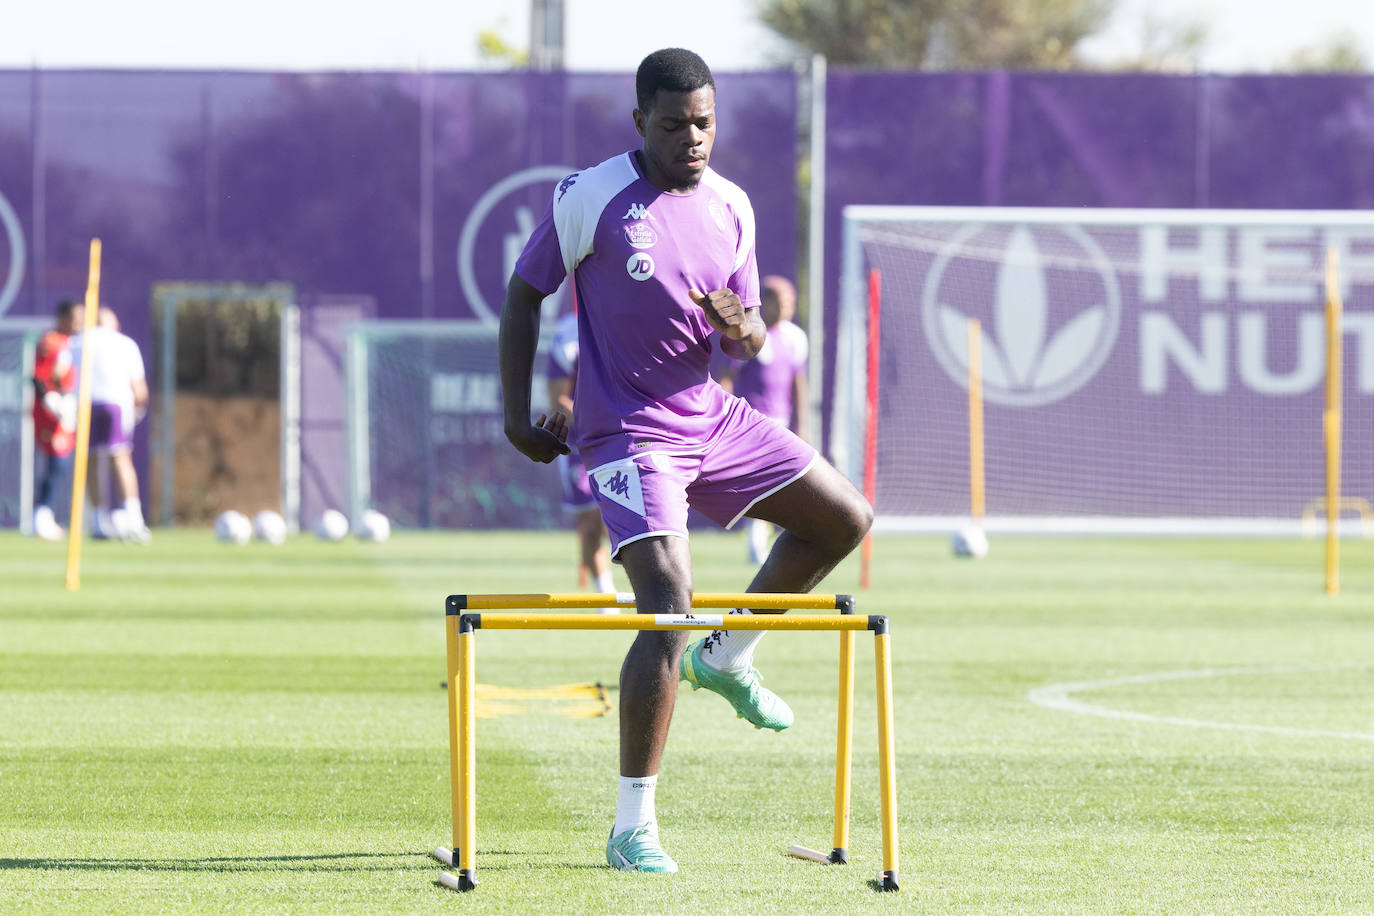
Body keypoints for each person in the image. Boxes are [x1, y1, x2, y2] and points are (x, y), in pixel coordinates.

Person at [499, 48, 871, 875]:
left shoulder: (732, 205)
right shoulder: (589, 194)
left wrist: (746, 332)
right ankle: (633, 827)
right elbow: (525, 294)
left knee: (845, 518)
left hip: (711, 416)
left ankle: (729, 653)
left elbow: (741, 339)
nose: (692, 138)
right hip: (628, 432)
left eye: (704, 122)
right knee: (668, 600)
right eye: (674, 125)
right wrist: (512, 417)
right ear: (641, 123)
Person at [717, 275, 809, 564]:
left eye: (791, 302)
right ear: (765, 303)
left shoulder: (796, 337)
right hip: (751, 425)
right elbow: (727, 379)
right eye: (781, 302)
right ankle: (757, 542)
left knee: (783, 486)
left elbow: (798, 384)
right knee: (760, 485)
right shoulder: (751, 336)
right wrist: (725, 418)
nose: (787, 308)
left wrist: (802, 426)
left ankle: (771, 541)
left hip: (781, 425)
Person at [546, 307, 619, 611]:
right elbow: (557, 400)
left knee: (616, 521)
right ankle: (606, 595)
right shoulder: (567, 338)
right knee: (590, 523)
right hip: (580, 445)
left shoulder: (626, 324)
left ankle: (650, 588)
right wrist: (598, 421)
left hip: (622, 443)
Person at [68, 306, 150, 542]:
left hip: (86, 406)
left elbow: (59, 372)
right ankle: (133, 519)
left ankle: (98, 522)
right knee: (121, 459)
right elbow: (139, 390)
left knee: (91, 462)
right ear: (115, 325)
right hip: (115, 404)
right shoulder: (125, 344)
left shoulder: (78, 342)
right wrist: (137, 409)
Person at [30, 299, 79, 540]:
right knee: (57, 462)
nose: (77, 322)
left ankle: (43, 513)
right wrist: (51, 400)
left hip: (66, 410)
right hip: (50, 413)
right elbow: (38, 378)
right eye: (73, 317)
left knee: (62, 464)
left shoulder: (74, 344)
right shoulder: (50, 341)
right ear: (62, 317)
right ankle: (41, 514)